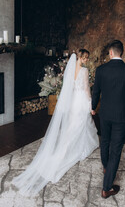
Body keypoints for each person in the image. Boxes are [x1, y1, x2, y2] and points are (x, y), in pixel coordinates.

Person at [12, 49, 99, 196]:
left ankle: (70, 145)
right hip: (81, 101)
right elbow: (85, 89)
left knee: (74, 124)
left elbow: (69, 88)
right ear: (81, 58)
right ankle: (73, 148)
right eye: (85, 58)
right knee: (79, 124)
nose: (86, 60)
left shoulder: (70, 70)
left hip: (73, 102)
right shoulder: (84, 71)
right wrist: (90, 102)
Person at [91, 40, 125, 199]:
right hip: (122, 115)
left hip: (104, 114)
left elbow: (96, 90)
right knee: (116, 150)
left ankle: (106, 167)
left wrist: (93, 107)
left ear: (111, 53)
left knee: (104, 141)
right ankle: (107, 188)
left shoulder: (101, 70)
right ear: (121, 53)